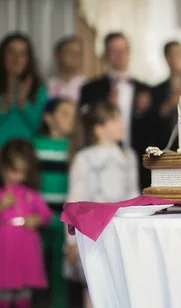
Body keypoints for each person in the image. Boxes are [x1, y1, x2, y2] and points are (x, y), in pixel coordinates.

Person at [64, 101, 139, 308]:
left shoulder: (128, 156)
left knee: (121, 285)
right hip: (92, 233)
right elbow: (75, 200)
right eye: (114, 120)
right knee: (94, 286)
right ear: (99, 129)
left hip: (120, 231)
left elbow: (133, 195)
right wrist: (70, 241)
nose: (121, 125)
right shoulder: (83, 158)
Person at [0, 139, 53, 308]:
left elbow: (47, 215)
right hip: (3, 251)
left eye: (23, 172)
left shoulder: (30, 194)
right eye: (13, 171)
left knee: (24, 294)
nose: (18, 177)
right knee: (3, 294)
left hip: (26, 249)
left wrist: (37, 219)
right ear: (2, 166)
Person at [0, 32, 47, 189]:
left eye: (23, 53)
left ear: (28, 59)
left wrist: (23, 106)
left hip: (26, 166)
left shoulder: (38, 90)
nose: (17, 58)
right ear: (2, 56)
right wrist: (2, 108)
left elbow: (42, 131)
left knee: (26, 213)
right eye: (11, 51)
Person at [79, 32, 153, 189]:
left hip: (137, 160)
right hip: (99, 158)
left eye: (123, 49)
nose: (119, 55)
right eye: (114, 50)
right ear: (105, 54)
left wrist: (141, 112)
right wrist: (105, 104)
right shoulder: (90, 88)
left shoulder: (145, 89)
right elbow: (84, 122)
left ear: (129, 52)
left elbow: (155, 130)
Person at [33, 98, 75, 308]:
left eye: (73, 114)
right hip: (37, 218)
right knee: (32, 265)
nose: (71, 119)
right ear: (48, 118)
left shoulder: (73, 148)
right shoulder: (36, 146)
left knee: (60, 271)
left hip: (62, 220)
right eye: (64, 113)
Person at [150, 41, 181, 150]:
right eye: (179, 54)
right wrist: (171, 103)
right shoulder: (155, 92)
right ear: (168, 59)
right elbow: (152, 125)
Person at [47, 36, 86, 102]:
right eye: (70, 52)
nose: (75, 56)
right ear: (57, 55)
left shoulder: (87, 85)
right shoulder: (47, 87)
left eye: (78, 53)